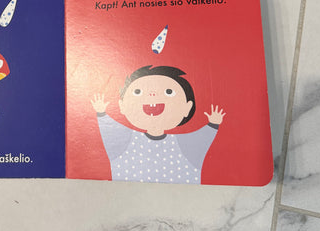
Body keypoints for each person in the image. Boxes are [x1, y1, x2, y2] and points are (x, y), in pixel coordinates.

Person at [91, 65, 225, 183]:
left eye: (169, 92)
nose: (152, 94)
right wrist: (101, 113)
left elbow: (201, 140)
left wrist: (213, 124)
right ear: (122, 106)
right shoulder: (125, 140)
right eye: (138, 92)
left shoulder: (184, 145)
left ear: (187, 107)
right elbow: (110, 132)